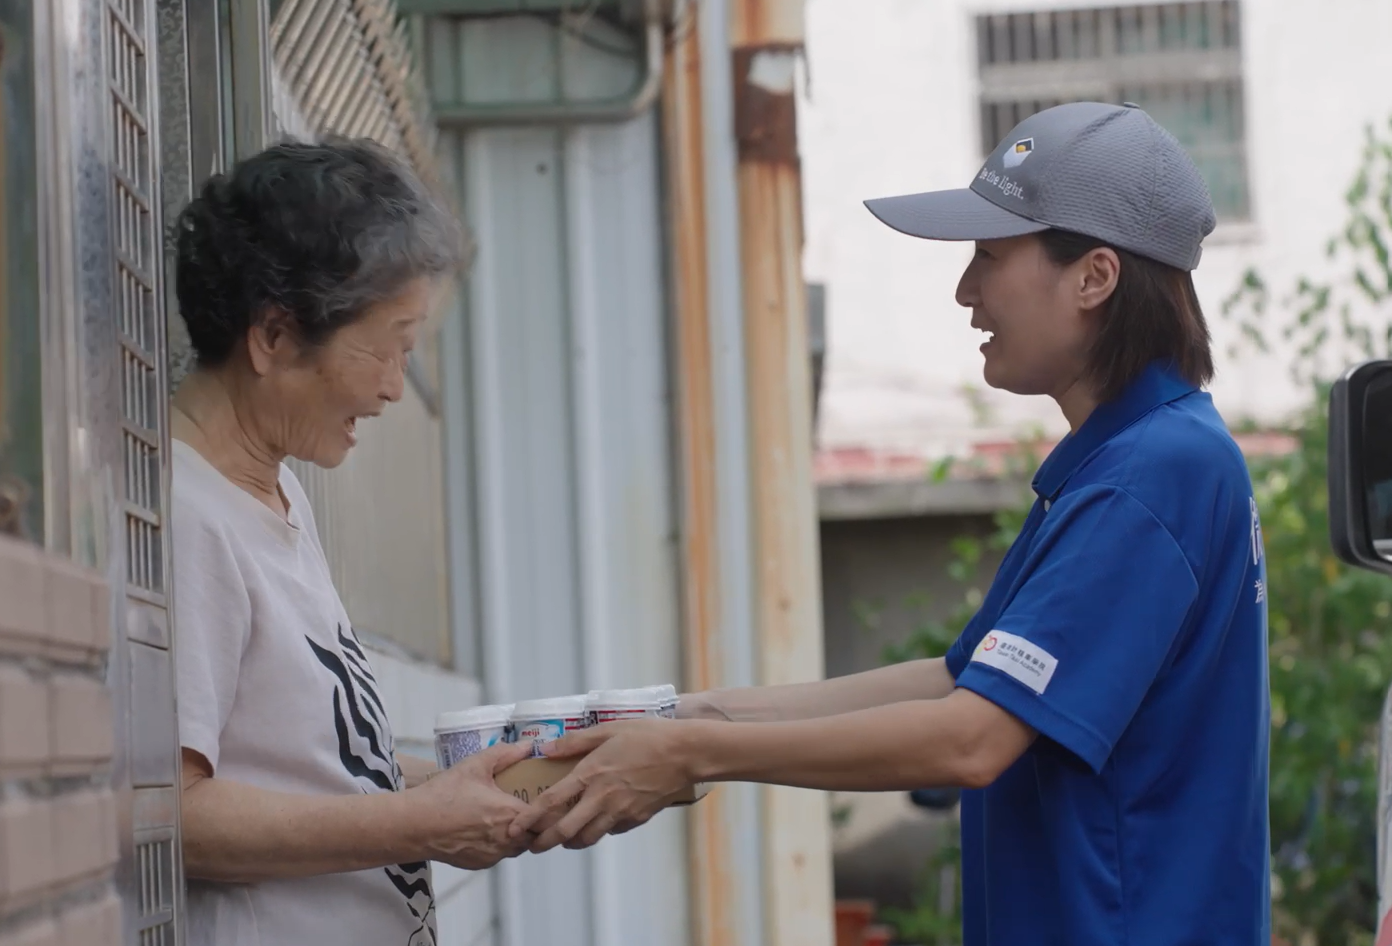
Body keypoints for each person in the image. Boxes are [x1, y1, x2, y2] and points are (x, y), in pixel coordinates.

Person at [511, 102, 1272, 946]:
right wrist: (695, 716)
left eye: (989, 255)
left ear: (1094, 277)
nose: (965, 291)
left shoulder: (1150, 476)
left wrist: (693, 757)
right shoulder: (1137, 460)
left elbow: (969, 742)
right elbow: (961, 683)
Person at [171, 138, 535, 946]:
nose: (394, 388)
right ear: (273, 335)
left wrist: (473, 789)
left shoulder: (276, 491)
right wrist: (414, 825)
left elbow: (312, 770)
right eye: (391, 344)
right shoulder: (186, 518)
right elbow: (173, 813)